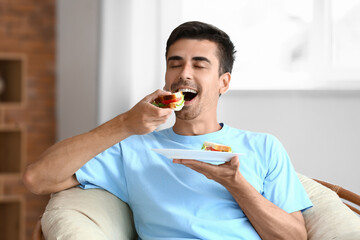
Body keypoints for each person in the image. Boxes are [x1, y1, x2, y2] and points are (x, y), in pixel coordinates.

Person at [23, 21, 312, 240]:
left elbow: (295, 237)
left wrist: (238, 186)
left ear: (224, 83)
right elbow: (37, 179)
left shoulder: (263, 147)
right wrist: (124, 124)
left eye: (199, 65)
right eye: (175, 64)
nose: (184, 73)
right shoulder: (134, 148)